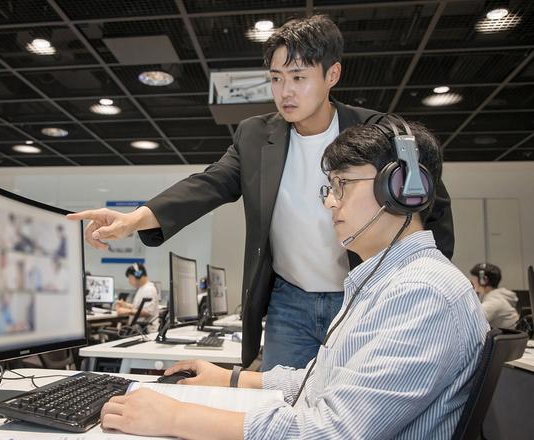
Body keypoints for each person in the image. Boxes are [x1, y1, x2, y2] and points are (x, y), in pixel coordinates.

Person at [67, 14, 455, 370]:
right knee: (277, 400)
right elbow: (210, 183)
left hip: (362, 295)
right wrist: (135, 219)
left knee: (354, 402)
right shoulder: (255, 136)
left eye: (299, 77)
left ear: (332, 74)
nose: (285, 92)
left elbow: (431, 207)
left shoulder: (376, 133)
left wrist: (419, 283)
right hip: (290, 301)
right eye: (276, 78)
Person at [99, 119, 487, 440]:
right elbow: (320, 382)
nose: (329, 201)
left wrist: (175, 417)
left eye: (342, 185)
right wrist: (232, 379)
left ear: (402, 189)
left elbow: (330, 432)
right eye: (330, 187)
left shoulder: (422, 292)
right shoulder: (387, 283)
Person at [470, 262, 519, 329]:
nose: (472, 281)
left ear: (484, 280)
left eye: (474, 279)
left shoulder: (494, 302)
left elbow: (471, 322)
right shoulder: (498, 297)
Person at [116, 263, 160, 333]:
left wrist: (127, 311)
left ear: (138, 275)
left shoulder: (148, 290)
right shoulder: (143, 288)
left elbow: (147, 312)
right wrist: (126, 305)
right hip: (140, 330)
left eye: (130, 278)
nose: (129, 281)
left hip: (146, 332)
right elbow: (139, 307)